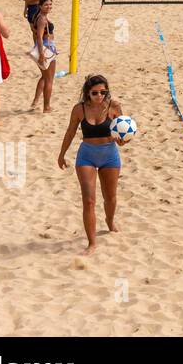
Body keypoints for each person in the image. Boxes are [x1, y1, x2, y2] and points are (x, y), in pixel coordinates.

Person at [57, 74, 126, 255]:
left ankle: (110, 221)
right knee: (88, 201)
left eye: (103, 92)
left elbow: (123, 134)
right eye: (95, 93)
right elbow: (71, 131)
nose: (99, 96)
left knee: (110, 198)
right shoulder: (79, 109)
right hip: (86, 155)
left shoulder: (114, 107)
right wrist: (62, 154)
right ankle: (92, 243)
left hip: (109, 155)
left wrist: (122, 140)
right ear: (87, 93)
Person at [28, 0, 57, 112]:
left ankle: (36, 101)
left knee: (45, 77)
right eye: (46, 5)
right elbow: (39, 37)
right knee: (49, 79)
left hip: (45, 47)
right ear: (40, 6)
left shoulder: (38, 16)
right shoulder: (42, 19)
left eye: (50, 4)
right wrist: (41, 54)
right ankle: (46, 107)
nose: (49, 7)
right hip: (46, 48)